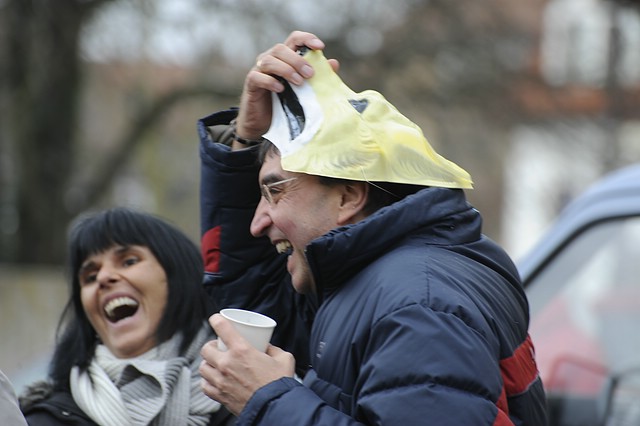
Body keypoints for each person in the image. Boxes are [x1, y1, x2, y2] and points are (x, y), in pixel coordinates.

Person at [197, 31, 548, 425]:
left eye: (274, 191)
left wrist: (268, 403)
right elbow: (256, 301)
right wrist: (245, 137)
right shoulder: (378, 282)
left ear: (348, 197)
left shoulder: (418, 306)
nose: (257, 223)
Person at [19, 207, 234, 426]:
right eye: (90, 277)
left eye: (129, 261)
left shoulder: (245, 402)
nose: (103, 277)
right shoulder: (40, 421)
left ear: (178, 275)